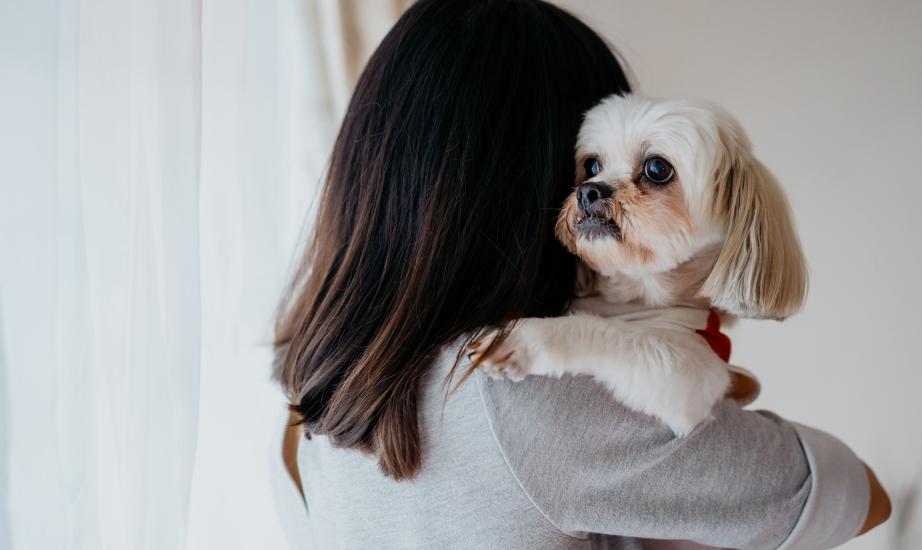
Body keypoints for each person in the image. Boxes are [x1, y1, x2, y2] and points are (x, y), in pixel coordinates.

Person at [272, 0, 891, 548]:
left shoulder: (310, 386)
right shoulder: (535, 389)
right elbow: (858, 497)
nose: (598, 190)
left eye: (653, 171)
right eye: (587, 163)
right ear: (529, 186)